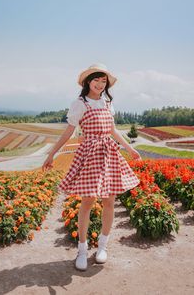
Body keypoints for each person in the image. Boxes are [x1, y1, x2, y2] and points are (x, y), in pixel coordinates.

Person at [42, 63, 142, 271]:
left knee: (109, 201)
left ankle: (102, 247)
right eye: (96, 79)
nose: (100, 83)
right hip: (90, 154)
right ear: (88, 81)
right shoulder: (80, 103)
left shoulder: (107, 103)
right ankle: (82, 249)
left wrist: (129, 149)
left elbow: (113, 130)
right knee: (87, 201)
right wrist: (52, 153)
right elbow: (69, 131)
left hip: (109, 154)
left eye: (103, 80)